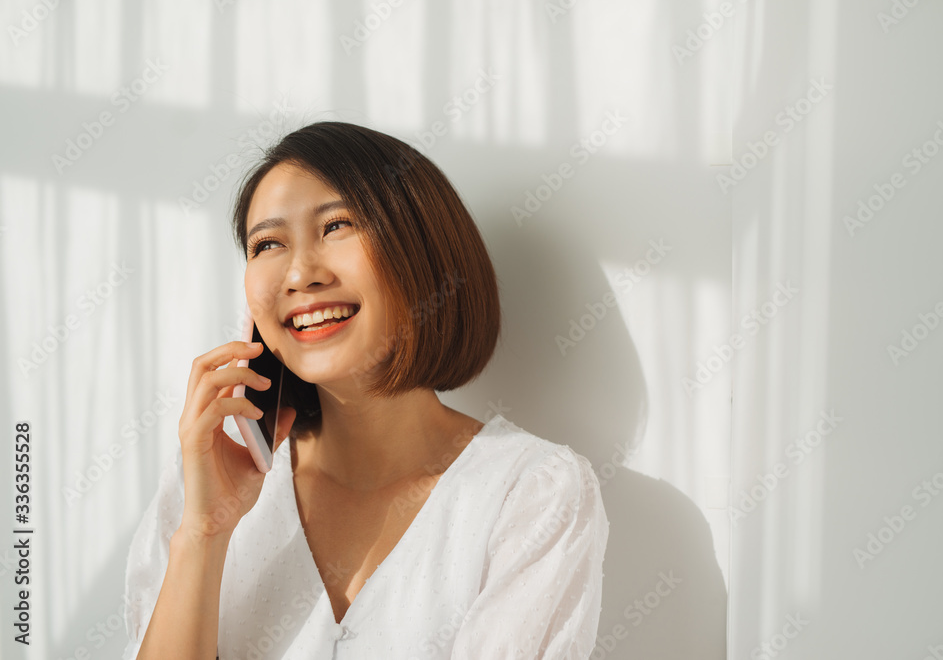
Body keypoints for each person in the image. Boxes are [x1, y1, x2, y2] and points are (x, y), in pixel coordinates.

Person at [120, 121, 610, 659]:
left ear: (420, 253)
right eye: (268, 243)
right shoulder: (204, 485)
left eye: (336, 226)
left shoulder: (532, 493)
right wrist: (205, 535)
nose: (300, 273)